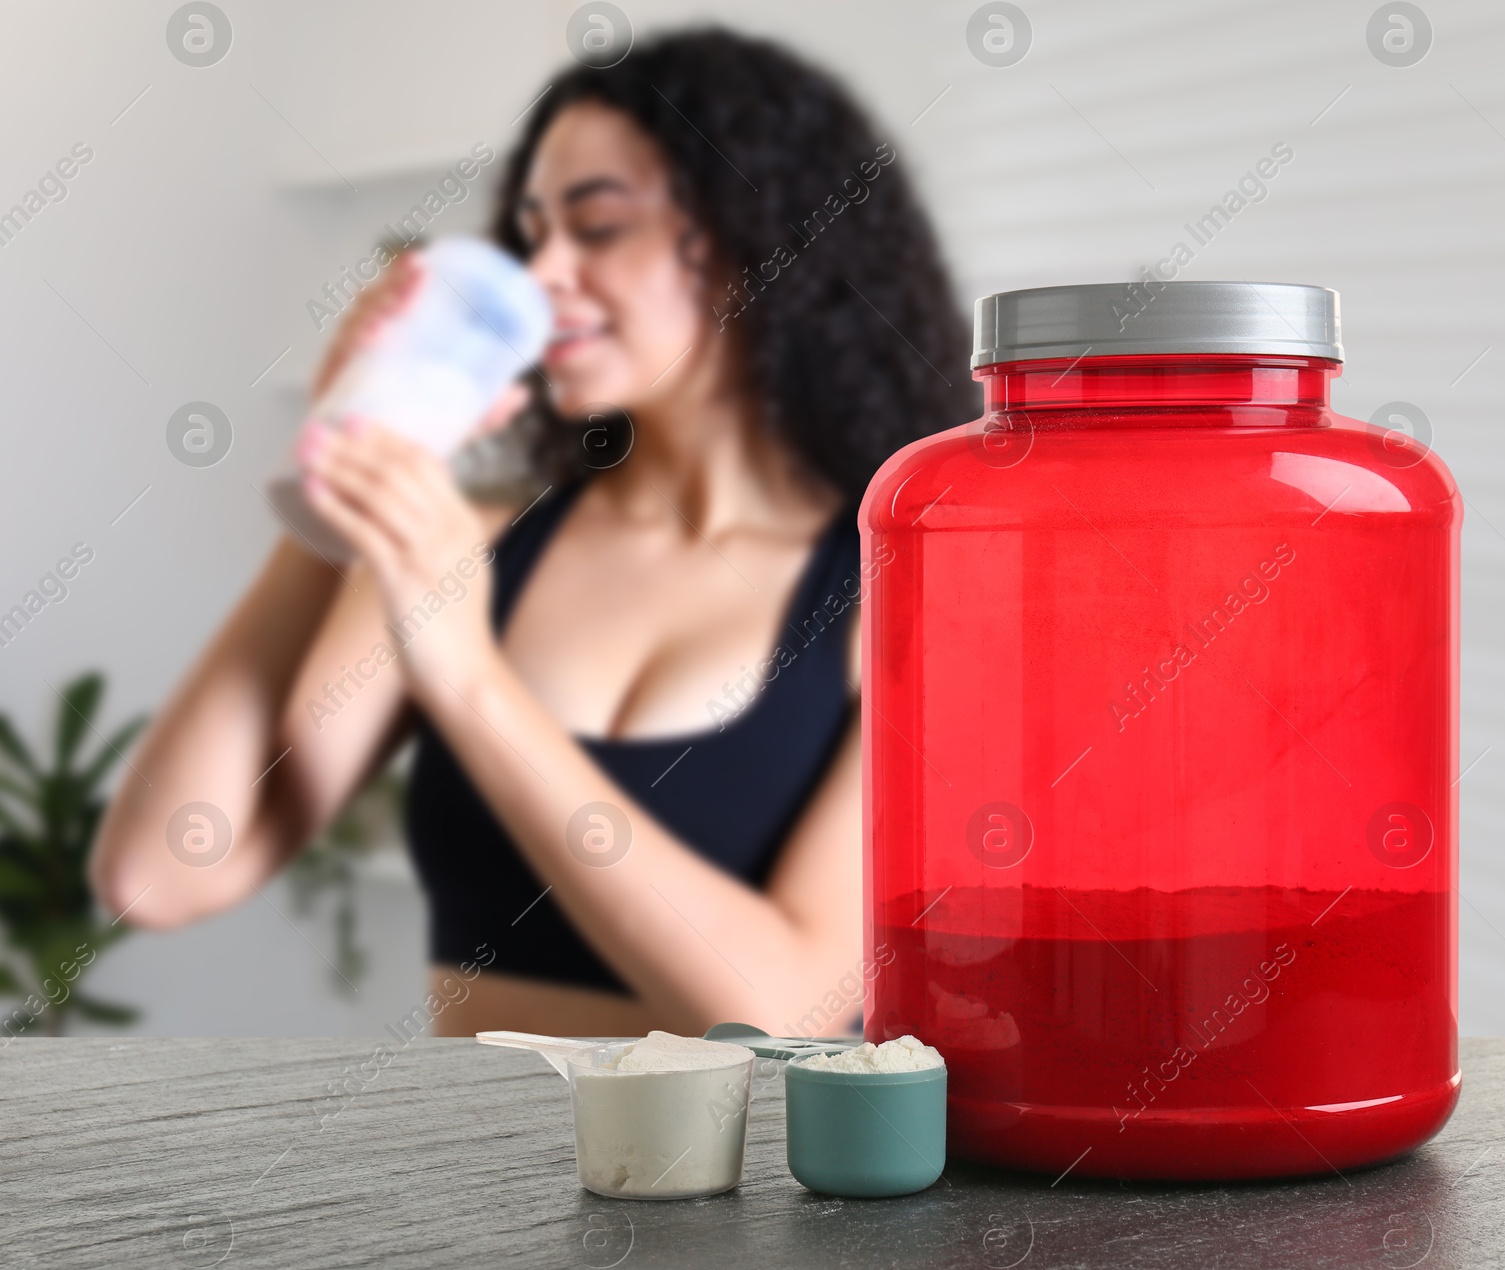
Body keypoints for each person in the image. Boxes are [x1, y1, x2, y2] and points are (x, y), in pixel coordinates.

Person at [90, 28, 973, 1038]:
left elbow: (786, 1009)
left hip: (740, 1193)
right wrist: (344, 471)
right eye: (531, 229)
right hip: (469, 1182)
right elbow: (155, 873)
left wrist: (468, 679)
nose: (542, 269)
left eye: (595, 227)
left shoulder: (899, 592)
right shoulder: (462, 547)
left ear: (755, 238)